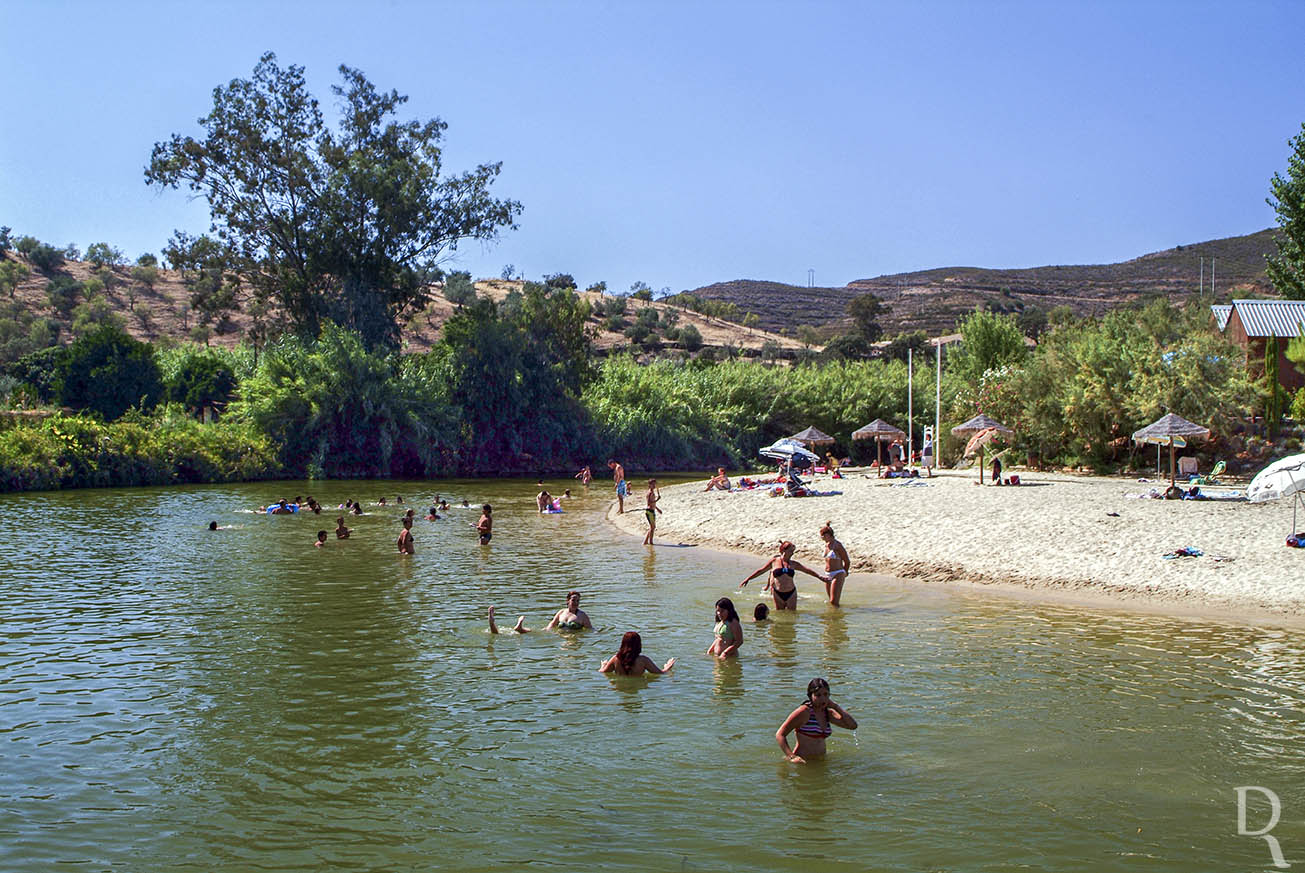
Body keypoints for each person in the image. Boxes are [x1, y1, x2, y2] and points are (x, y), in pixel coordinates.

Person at [776, 678, 858, 764]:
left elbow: (852, 726)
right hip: (803, 762)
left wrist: (835, 706)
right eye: (818, 695)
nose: (823, 699)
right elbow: (780, 734)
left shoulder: (828, 713)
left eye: (826, 694)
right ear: (810, 696)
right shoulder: (804, 712)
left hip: (821, 762)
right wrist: (792, 756)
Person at [739, 541, 827, 611]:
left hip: (791, 593)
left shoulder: (793, 564)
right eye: (790, 551)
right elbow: (761, 571)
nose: (792, 553)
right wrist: (748, 579)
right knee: (780, 615)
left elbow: (807, 570)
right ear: (783, 551)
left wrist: (819, 577)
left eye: (793, 551)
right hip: (777, 593)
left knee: (792, 616)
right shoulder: (774, 561)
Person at [599, 632, 675, 676]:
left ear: (623, 644)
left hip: (620, 690)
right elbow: (660, 674)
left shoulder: (615, 659)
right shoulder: (643, 660)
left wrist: (603, 665)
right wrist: (668, 667)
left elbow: (602, 672)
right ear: (639, 644)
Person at [820, 522, 852, 607]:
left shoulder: (837, 545)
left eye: (823, 535)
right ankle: (833, 618)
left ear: (829, 535)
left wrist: (845, 572)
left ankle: (837, 619)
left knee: (834, 601)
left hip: (838, 573)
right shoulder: (826, 545)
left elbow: (847, 561)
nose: (821, 537)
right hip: (827, 574)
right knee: (831, 601)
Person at [642, 478, 662, 545]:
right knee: (653, 527)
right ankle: (650, 542)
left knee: (652, 527)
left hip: (651, 511)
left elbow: (652, 503)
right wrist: (657, 500)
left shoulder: (652, 492)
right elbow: (649, 503)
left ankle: (645, 541)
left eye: (655, 484)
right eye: (653, 484)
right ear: (649, 485)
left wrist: (657, 509)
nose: (654, 486)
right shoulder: (650, 493)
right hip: (649, 511)